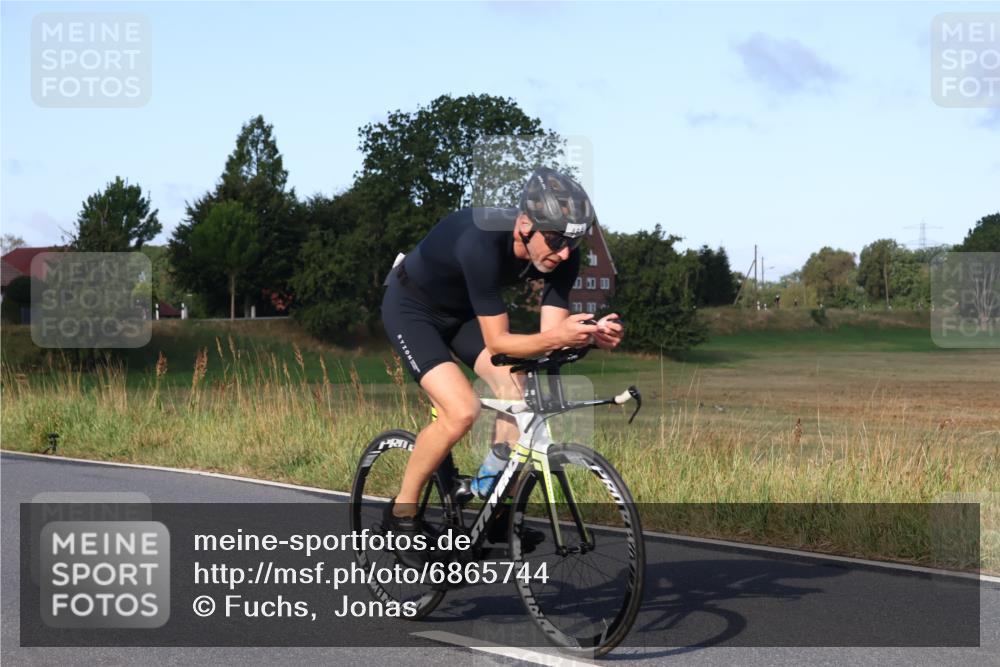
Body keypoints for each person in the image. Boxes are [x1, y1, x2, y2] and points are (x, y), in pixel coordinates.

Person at [380, 167, 624, 557]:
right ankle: (401, 512)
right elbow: (497, 342)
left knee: (518, 389)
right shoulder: (481, 242)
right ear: (525, 224)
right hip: (412, 308)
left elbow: (550, 338)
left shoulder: (564, 257)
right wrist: (557, 337)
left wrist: (590, 334)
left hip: (462, 315)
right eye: (556, 240)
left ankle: (494, 502)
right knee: (461, 410)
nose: (564, 252)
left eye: (572, 243)